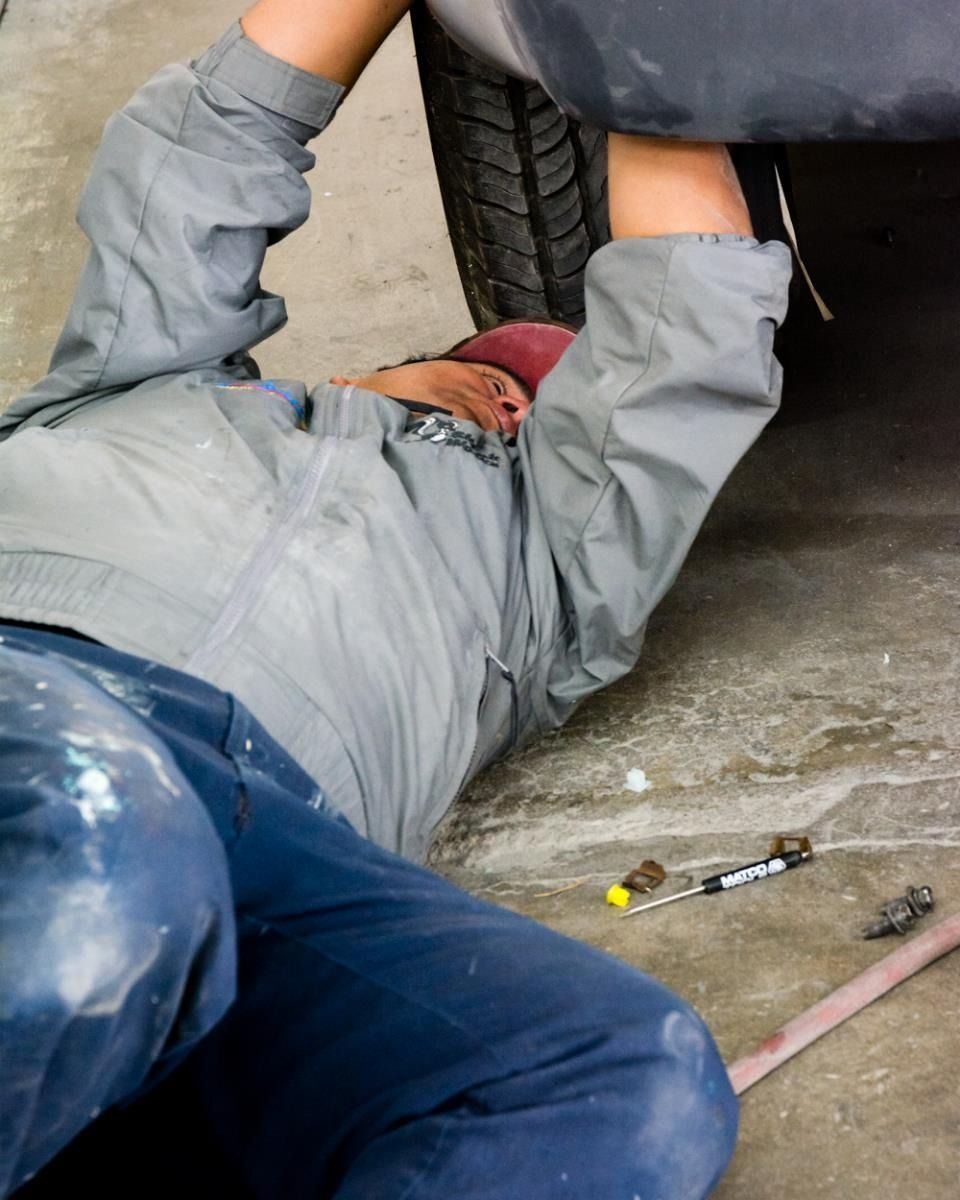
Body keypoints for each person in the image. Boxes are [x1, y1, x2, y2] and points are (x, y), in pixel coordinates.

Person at [0, 0, 792, 1196]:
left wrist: (649, 43)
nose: (512, 399)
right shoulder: (133, 381)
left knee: (630, 1077)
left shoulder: (551, 581)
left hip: (272, 837)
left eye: (531, 407)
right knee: (105, 868)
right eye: (490, 367)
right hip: (36, 690)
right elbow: (207, 147)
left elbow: (689, 324)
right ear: (360, 374)